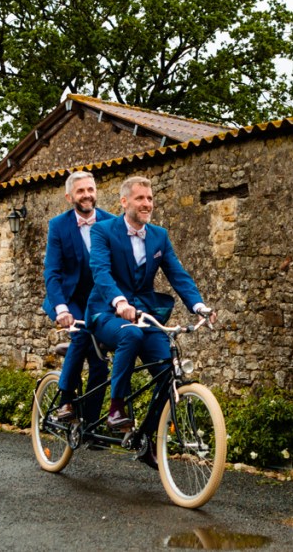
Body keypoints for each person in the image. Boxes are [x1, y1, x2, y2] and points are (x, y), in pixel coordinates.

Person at [86, 175, 210, 469]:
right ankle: (116, 408)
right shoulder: (103, 231)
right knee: (131, 336)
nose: (147, 204)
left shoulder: (159, 236)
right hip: (106, 311)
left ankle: (147, 438)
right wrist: (119, 302)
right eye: (140, 198)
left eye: (150, 198)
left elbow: (177, 274)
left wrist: (199, 305)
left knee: (168, 368)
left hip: (143, 311)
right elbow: (101, 272)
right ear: (124, 201)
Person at [42, 171, 115, 426]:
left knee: (100, 364)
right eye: (81, 191)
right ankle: (65, 401)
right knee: (82, 335)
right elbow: (52, 271)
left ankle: (92, 425)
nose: (87, 195)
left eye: (90, 189)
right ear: (69, 196)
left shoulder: (112, 222)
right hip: (68, 298)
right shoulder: (58, 225)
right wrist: (61, 309)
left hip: (97, 301)